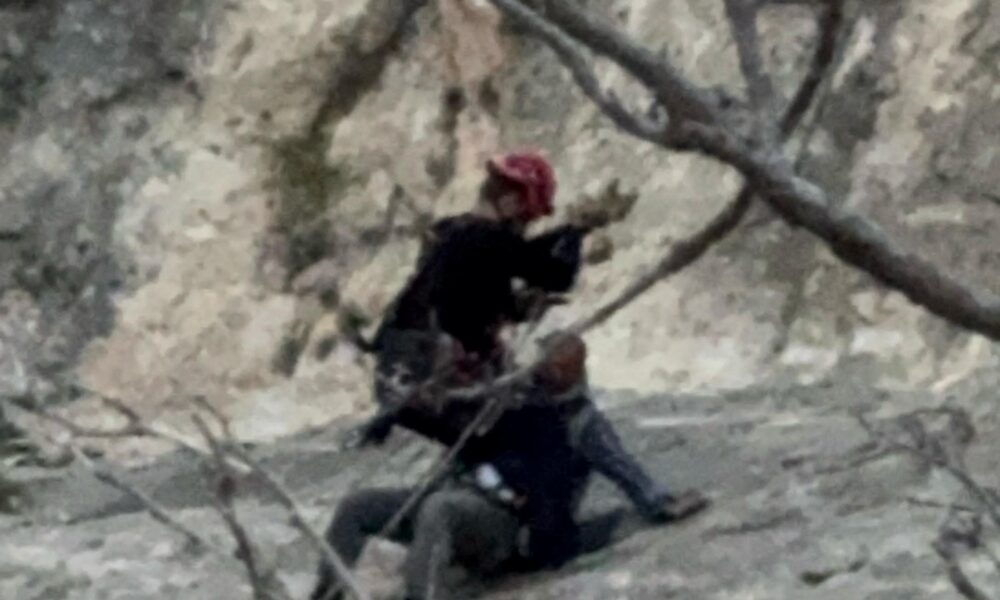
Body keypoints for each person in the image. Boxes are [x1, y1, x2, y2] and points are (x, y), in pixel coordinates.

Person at [357, 152, 688, 521]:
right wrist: (576, 231)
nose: (525, 227)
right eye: (526, 218)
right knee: (569, 410)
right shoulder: (487, 239)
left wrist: (521, 299)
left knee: (488, 438)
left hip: (405, 391)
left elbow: (476, 296)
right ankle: (650, 500)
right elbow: (554, 273)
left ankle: (487, 505)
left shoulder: (451, 233)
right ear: (511, 202)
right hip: (442, 391)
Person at [313, 333, 706, 600]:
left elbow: (622, 466)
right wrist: (405, 412)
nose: (542, 370)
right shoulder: (513, 397)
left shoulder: (581, 422)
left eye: (553, 366)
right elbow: (461, 428)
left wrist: (658, 502)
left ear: (571, 372)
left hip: (507, 523)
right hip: (461, 492)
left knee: (439, 510)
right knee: (358, 506)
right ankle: (327, 593)